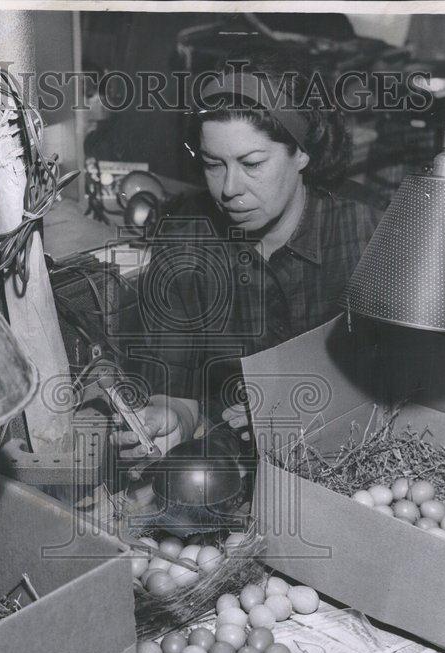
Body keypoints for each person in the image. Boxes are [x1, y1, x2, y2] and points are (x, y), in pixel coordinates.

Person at [113, 48, 382, 459]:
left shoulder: (369, 235)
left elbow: (408, 390)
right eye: (213, 164)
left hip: (350, 457)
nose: (229, 189)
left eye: (252, 163)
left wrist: (305, 412)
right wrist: (172, 420)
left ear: (303, 153)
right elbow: (177, 389)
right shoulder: (185, 242)